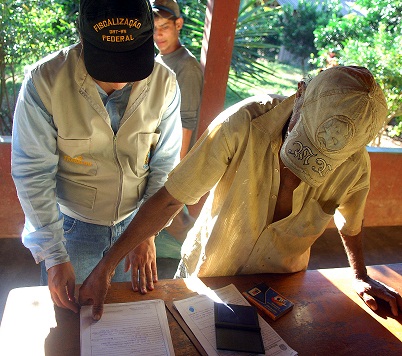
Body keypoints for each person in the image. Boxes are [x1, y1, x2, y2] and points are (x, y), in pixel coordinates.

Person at [79, 65, 402, 321]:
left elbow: (351, 223)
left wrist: (360, 275)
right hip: (209, 272)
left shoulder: (355, 164)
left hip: (282, 284)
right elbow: (172, 198)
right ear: (300, 92)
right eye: (303, 141)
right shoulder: (242, 123)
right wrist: (106, 267)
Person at [11, 0, 182, 314]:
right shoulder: (46, 82)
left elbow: (165, 165)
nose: (118, 82)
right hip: (72, 230)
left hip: (135, 222)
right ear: (82, 38)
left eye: (129, 65)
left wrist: (146, 231)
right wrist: (54, 256)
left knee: (125, 319)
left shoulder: (165, 83)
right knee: (70, 322)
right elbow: (32, 174)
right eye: (106, 66)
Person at [151, 0, 203, 273]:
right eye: (154, 28)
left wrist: (177, 170)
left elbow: (187, 120)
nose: (158, 35)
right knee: (167, 215)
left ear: (178, 25)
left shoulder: (186, 66)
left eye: (164, 27)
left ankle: (202, 262)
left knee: (175, 216)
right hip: (155, 153)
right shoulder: (159, 59)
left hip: (173, 157)